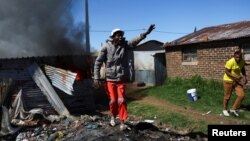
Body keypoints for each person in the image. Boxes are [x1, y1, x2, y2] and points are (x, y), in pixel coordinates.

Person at [93, 24, 155, 130]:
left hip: (121, 78)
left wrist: (145, 33)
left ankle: (122, 121)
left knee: (121, 100)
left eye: (121, 35)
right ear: (113, 37)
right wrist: (96, 77)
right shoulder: (106, 47)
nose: (120, 37)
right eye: (118, 35)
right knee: (113, 101)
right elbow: (98, 62)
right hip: (110, 79)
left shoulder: (125, 45)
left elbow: (135, 40)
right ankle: (113, 116)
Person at [222, 50, 248, 117]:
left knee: (241, 95)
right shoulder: (230, 62)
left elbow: (242, 69)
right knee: (227, 96)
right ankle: (224, 110)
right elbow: (227, 72)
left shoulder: (242, 61)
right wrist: (235, 76)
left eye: (239, 57)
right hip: (228, 81)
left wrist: (245, 77)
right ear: (234, 56)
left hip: (236, 81)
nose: (238, 59)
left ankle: (233, 109)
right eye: (236, 57)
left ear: (241, 57)